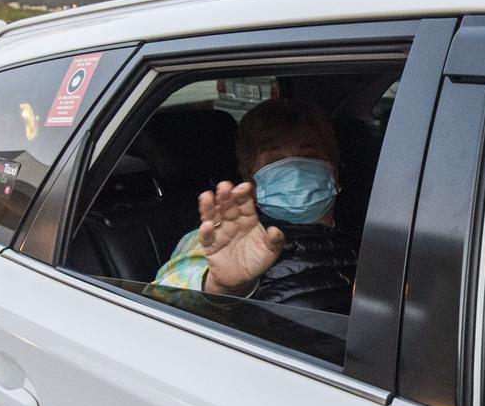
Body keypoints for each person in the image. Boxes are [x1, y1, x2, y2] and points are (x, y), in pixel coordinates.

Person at [153, 98, 360, 312]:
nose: (295, 171)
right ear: (250, 181)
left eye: (309, 156)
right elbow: (160, 303)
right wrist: (220, 288)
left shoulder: (369, 234)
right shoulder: (221, 238)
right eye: (275, 161)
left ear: (334, 173)